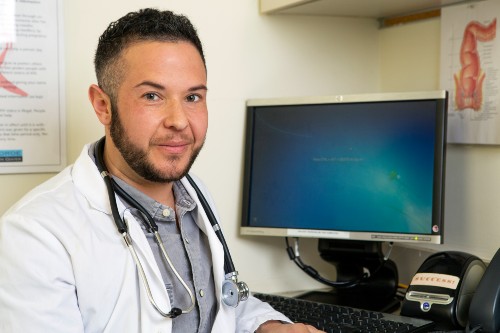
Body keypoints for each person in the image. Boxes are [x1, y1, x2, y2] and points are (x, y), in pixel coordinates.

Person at [0, 8, 325, 333]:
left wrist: (267, 326)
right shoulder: (35, 236)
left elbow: (220, 304)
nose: (179, 120)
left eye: (193, 97)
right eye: (152, 96)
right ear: (103, 105)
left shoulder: (193, 195)